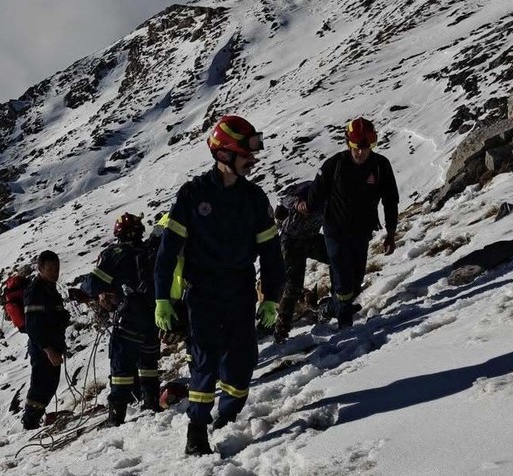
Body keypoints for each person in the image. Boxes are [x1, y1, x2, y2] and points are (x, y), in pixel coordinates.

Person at [154, 114, 286, 456]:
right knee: (206, 359)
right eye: (246, 153)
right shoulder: (192, 194)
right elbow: (167, 252)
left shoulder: (255, 198)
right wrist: (162, 298)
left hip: (240, 290)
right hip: (202, 292)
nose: (252, 159)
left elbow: (272, 254)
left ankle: (227, 415)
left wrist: (271, 298)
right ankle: (197, 430)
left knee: (242, 363)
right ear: (224, 153)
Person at [297, 116, 399, 329]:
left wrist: (391, 232)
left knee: (355, 282)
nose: (361, 152)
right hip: (335, 230)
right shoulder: (334, 165)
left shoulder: (380, 166)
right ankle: (345, 327)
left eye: (366, 147)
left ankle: (329, 308)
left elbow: (390, 200)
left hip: (362, 231)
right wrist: (305, 206)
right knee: (343, 282)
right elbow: (315, 195)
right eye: (356, 147)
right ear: (348, 143)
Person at [83, 212, 161, 426]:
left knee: (121, 367)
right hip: (153, 315)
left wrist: (95, 291)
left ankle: (116, 416)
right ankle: (152, 402)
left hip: (128, 316)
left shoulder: (115, 253)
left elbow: (92, 284)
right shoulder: (150, 250)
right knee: (148, 362)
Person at [272, 180, 329, 344]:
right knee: (293, 285)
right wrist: (297, 203)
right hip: (291, 240)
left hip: (311, 237)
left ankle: (335, 305)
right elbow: (283, 200)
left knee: (338, 258)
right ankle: (282, 329)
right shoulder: (309, 188)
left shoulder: (336, 195)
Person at [21, 250, 70, 430]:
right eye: (50, 269)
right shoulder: (36, 291)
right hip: (42, 348)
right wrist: (48, 350)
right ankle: (29, 423)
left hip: (53, 345)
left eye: (56, 268)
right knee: (41, 385)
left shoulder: (50, 289)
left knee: (49, 384)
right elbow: (33, 326)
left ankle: (34, 420)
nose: (54, 273)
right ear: (40, 269)